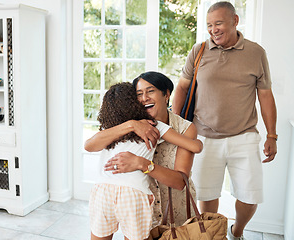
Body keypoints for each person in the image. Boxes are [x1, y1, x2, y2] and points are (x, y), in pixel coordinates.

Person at [172, 2, 277, 240]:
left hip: (244, 135)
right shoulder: (198, 51)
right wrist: (177, 127)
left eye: (218, 23)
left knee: (250, 196)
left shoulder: (255, 53)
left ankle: (236, 232)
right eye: (209, 25)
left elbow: (266, 96)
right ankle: (212, 236)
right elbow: (182, 87)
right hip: (204, 137)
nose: (213, 30)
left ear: (235, 21)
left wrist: (272, 135)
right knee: (207, 194)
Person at [85, 71, 201, 238]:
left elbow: (179, 182)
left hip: (173, 215)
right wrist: (131, 125)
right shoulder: (126, 124)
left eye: (150, 91)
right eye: (139, 94)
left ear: (166, 94)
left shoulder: (182, 128)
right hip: (142, 208)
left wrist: (142, 164)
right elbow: (89, 145)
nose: (145, 97)